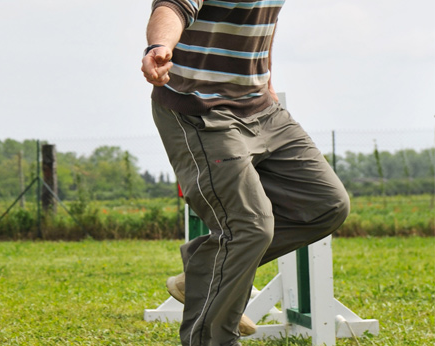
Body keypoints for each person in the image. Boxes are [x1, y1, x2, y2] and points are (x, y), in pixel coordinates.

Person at [139, 1, 351, 345]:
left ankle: (203, 271)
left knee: (326, 204)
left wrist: (265, 81)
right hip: (201, 109)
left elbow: (262, 23)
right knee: (248, 227)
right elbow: (173, 6)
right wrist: (159, 47)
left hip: (260, 106)